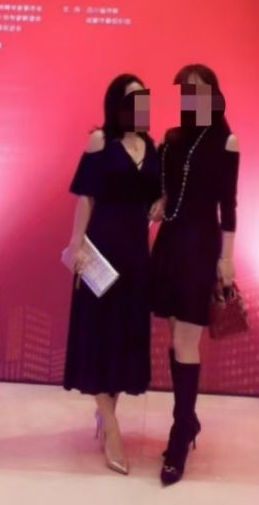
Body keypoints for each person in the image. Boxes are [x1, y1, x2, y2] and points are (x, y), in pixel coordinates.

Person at [62, 74, 160, 475]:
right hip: (102, 249)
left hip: (137, 255)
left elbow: (157, 193)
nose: (139, 105)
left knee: (124, 338)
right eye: (131, 98)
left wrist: (161, 202)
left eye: (143, 98)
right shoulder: (100, 140)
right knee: (97, 336)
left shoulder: (152, 147)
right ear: (116, 104)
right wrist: (76, 245)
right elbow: (86, 197)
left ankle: (107, 415)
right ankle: (112, 427)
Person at [149, 63, 240, 486]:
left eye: (200, 89)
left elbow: (229, 206)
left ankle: (180, 434)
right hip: (169, 243)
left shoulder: (226, 141)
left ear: (215, 94)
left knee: (186, 340)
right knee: (175, 337)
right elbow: (167, 193)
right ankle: (187, 419)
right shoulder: (172, 139)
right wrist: (159, 202)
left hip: (201, 247)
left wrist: (227, 259)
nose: (193, 97)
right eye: (186, 90)